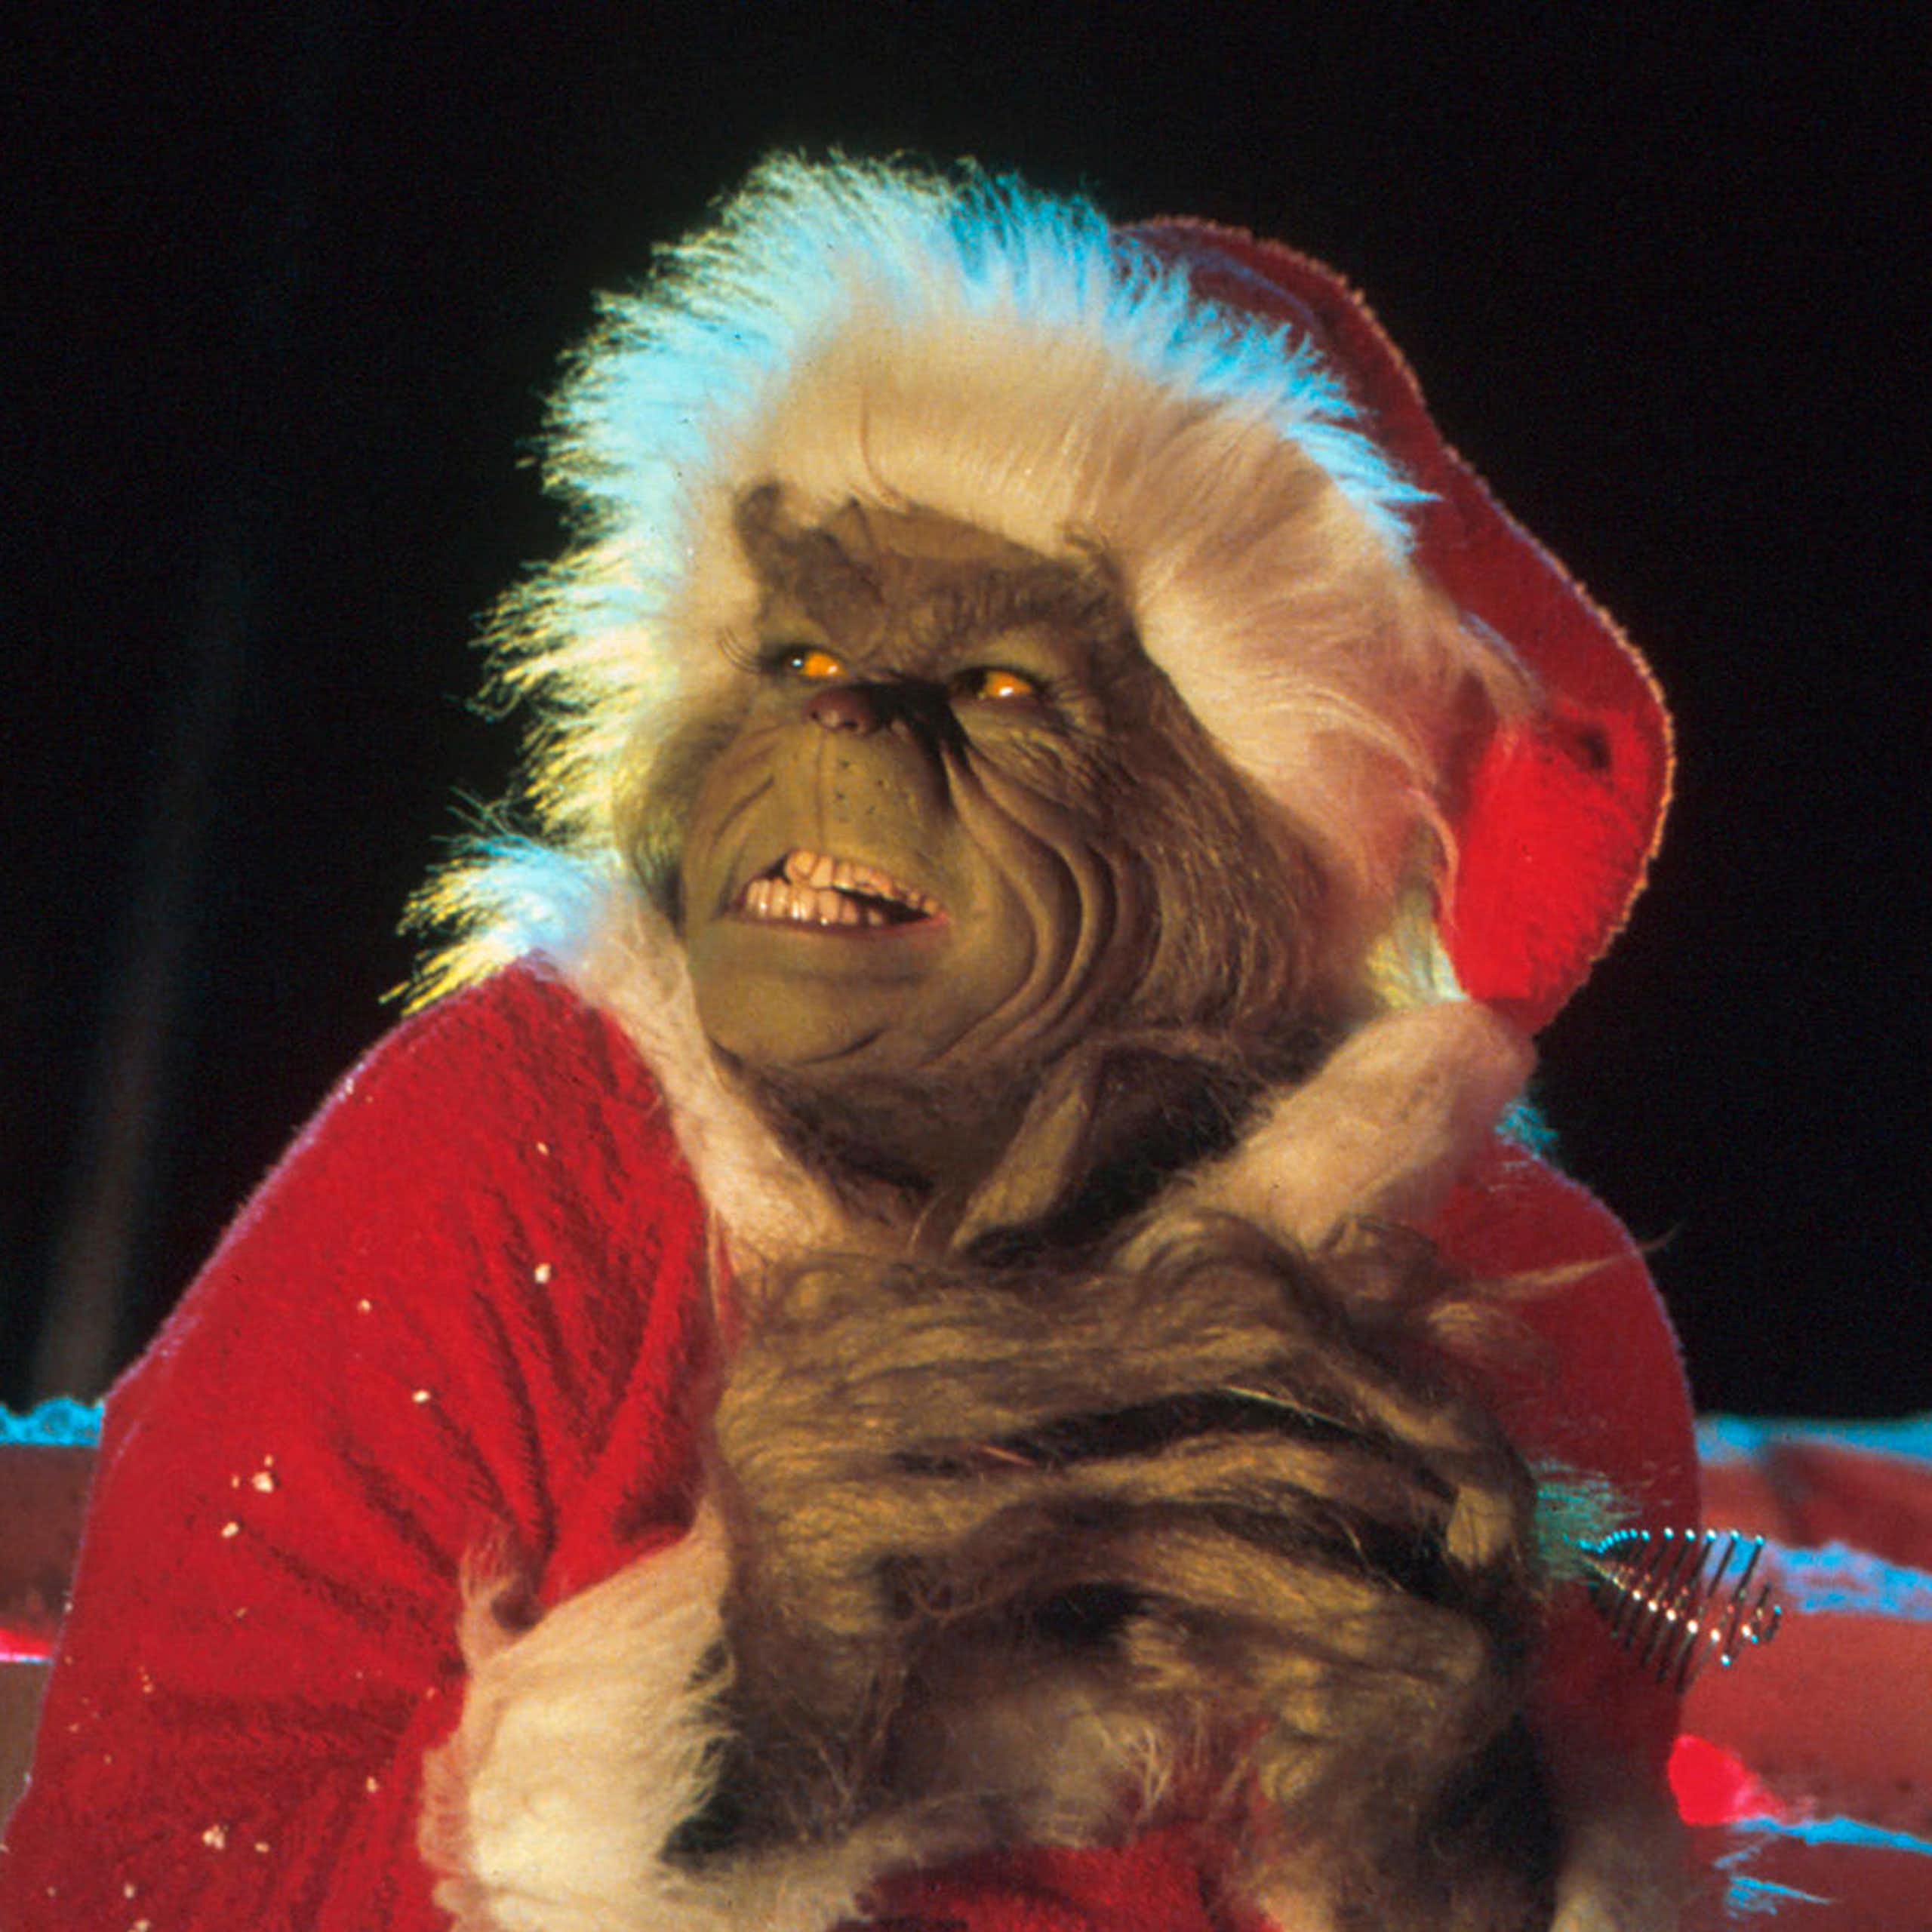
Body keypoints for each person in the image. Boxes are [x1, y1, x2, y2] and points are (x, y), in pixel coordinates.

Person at [0, 158, 1695, 1930]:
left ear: (1266, 837)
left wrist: (1436, 1808)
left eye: (1004, 686)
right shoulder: (502, 1147)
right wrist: (742, 1693)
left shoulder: (1518, 1286)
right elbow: (122, 1877)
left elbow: (1627, 1778)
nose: (836, 724)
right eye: (794, 646)